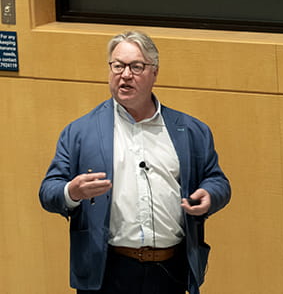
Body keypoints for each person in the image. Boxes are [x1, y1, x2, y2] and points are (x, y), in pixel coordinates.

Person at [39, 30, 231, 294]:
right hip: (108, 272)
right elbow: (49, 191)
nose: (125, 75)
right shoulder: (81, 132)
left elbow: (217, 180)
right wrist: (71, 192)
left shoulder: (189, 130)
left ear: (154, 72)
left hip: (171, 271)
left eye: (136, 67)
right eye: (117, 66)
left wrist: (210, 195)